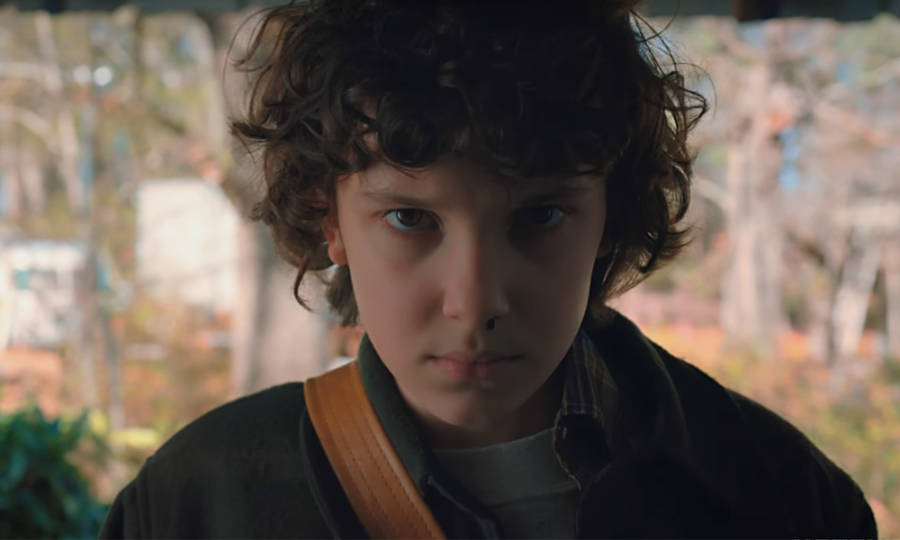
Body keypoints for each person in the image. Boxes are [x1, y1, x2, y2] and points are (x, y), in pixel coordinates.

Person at [100, 0, 877, 538]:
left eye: (538, 217)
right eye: (411, 220)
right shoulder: (199, 504)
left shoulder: (778, 496)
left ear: (609, 218)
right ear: (328, 218)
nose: (474, 302)